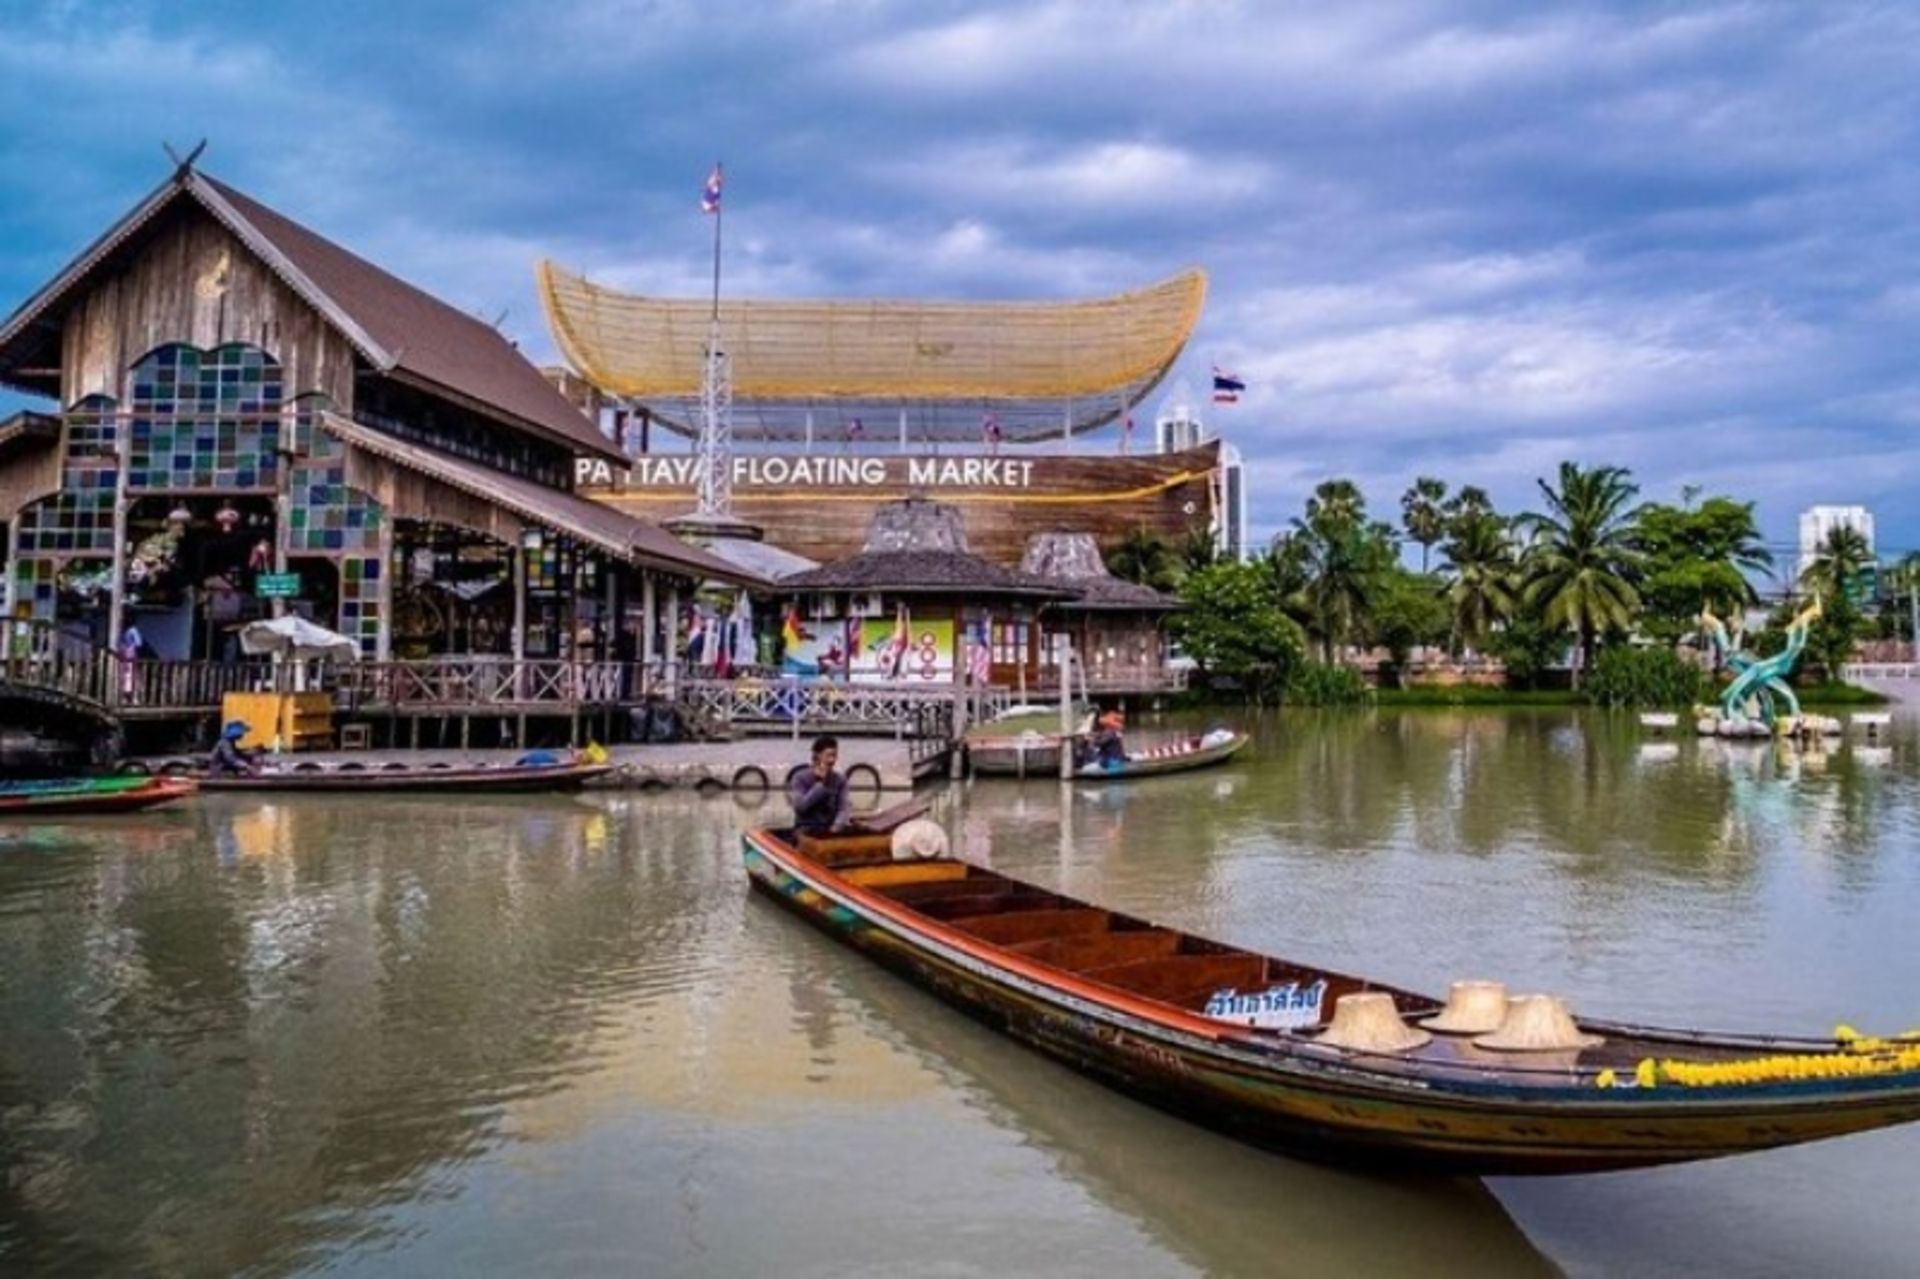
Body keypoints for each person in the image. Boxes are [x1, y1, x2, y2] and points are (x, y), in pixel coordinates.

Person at [789, 734, 852, 836]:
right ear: (817, 756)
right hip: (806, 829)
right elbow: (800, 807)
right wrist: (820, 784)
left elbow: (844, 807)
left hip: (830, 829)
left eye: (834, 756)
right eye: (828, 755)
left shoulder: (840, 780)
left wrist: (837, 825)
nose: (832, 760)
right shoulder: (800, 777)